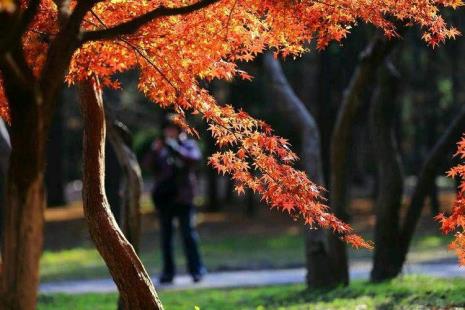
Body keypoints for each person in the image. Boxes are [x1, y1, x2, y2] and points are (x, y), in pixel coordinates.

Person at [145, 114, 206, 284]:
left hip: (184, 198)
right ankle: (168, 273)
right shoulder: (160, 147)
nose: (169, 132)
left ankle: (197, 270)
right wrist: (155, 151)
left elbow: (194, 159)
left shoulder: (188, 144)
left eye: (172, 129)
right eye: (167, 129)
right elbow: (149, 166)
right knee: (166, 238)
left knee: (188, 235)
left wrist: (175, 148)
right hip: (165, 198)